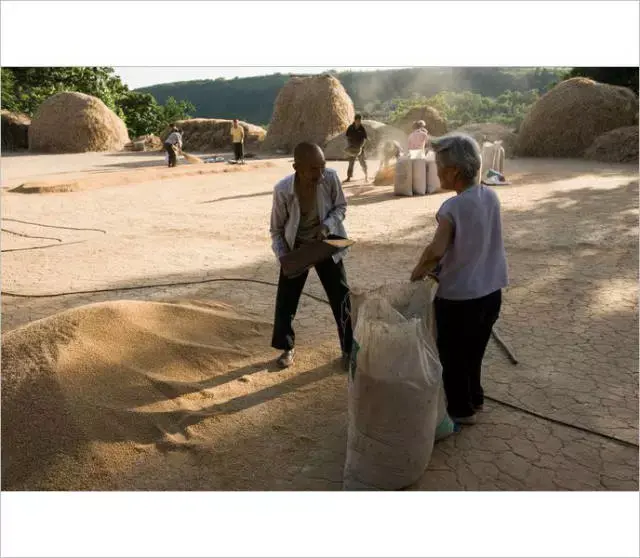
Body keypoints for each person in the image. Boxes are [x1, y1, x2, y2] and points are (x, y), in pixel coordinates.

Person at [410, 133, 508, 425]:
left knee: (452, 355)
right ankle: (474, 398)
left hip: (460, 299)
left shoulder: (452, 208)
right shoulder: (490, 195)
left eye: (439, 166)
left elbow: (436, 250)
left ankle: (461, 411)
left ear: (453, 171)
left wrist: (417, 272)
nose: (437, 171)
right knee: (474, 351)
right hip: (491, 293)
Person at [269, 142, 353, 370]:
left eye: (322, 167)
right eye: (313, 169)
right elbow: (276, 230)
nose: (320, 173)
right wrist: (285, 259)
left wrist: (326, 226)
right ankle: (287, 347)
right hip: (296, 246)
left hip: (326, 243)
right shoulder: (283, 190)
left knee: (341, 296)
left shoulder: (330, 178)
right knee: (286, 300)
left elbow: (341, 207)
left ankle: (348, 349)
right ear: (297, 167)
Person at [344, 114, 368, 183]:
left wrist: (360, 147)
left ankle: (366, 176)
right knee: (351, 163)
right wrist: (349, 146)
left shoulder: (362, 128)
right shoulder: (350, 127)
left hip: (360, 148)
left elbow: (364, 139)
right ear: (355, 120)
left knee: (362, 162)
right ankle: (348, 177)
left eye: (360, 121)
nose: (359, 122)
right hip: (352, 148)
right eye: (357, 120)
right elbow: (347, 138)